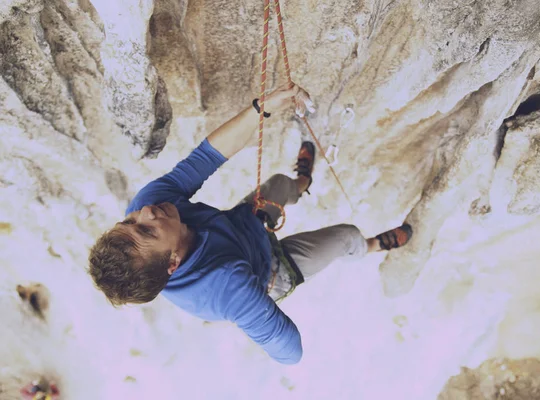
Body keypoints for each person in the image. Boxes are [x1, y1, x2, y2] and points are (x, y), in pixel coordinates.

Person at [88, 84, 412, 365]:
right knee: (346, 237)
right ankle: (371, 246)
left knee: (281, 184)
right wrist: (253, 308)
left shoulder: (152, 207)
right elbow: (290, 352)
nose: (144, 212)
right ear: (173, 262)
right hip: (272, 272)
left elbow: (206, 157)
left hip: (245, 224)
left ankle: (302, 180)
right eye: (147, 230)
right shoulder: (227, 289)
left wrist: (262, 108)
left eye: (129, 220)